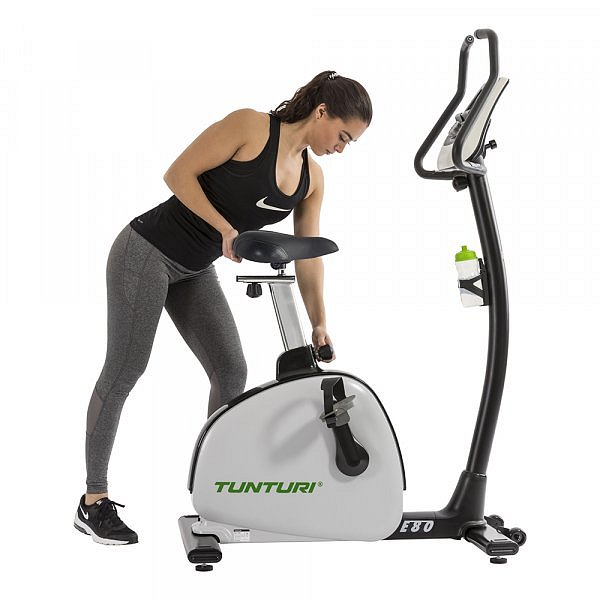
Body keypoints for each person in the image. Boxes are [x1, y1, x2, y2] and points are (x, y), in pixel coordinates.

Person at [73, 70, 372, 545]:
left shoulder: (311, 179)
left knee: (231, 370)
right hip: (145, 252)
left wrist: (319, 322)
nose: (341, 147)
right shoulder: (251, 127)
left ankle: (215, 488)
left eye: (349, 143)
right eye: (343, 136)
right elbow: (177, 174)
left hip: (194, 269)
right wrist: (224, 229)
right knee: (126, 368)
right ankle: (93, 501)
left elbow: (309, 256)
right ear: (322, 112)